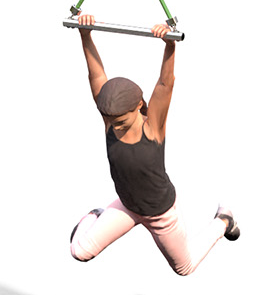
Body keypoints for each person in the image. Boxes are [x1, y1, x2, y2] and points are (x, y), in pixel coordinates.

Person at [68, 14, 238, 274]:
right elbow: (96, 75)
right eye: (110, 120)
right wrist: (85, 34)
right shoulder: (109, 120)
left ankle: (223, 221)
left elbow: (165, 84)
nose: (114, 125)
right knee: (79, 252)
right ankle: (95, 215)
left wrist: (169, 45)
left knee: (185, 268)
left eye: (121, 121)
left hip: (160, 213)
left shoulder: (153, 127)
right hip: (127, 204)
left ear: (139, 106)